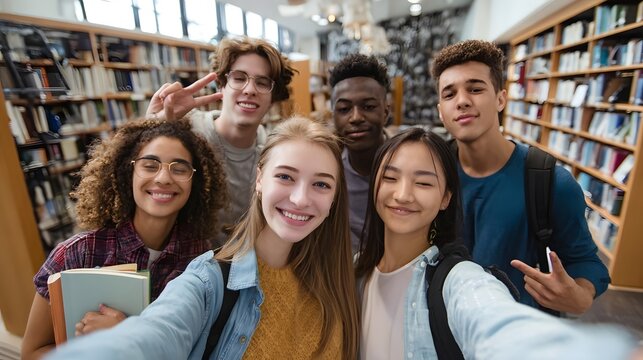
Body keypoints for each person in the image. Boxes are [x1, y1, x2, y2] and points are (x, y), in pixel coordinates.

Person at [46, 117, 360, 360]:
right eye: (285, 176)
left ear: (335, 198)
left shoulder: (341, 279)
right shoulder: (209, 279)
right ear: (260, 179)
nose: (301, 198)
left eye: (321, 184)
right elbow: (159, 331)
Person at [355, 127, 637, 359]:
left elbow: (496, 322)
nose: (403, 195)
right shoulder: (354, 271)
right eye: (390, 178)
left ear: (446, 198)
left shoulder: (459, 281)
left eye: (424, 183)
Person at [21, 118, 228, 359]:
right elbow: (32, 352)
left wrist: (126, 335)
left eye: (179, 168)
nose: (163, 178)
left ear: (196, 181)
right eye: (150, 165)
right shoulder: (77, 253)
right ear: (128, 173)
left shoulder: (200, 259)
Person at [431, 39, 610, 313]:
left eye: (476, 89)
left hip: (515, 332)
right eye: (449, 94)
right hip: (442, 328)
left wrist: (581, 295)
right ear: (440, 111)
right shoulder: (432, 173)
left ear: (501, 98)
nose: (463, 101)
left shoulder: (550, 182)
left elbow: (585, 261)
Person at [146, 36, 296, 246]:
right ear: (221, 85)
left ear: (273, 98)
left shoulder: (276, 153)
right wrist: (151, 131)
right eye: (239, 78)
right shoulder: (185, 131)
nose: (250, 89)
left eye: (262, 83)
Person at [329, 53, 390, 252]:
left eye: (368, 106)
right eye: (345, 109)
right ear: (334, 116)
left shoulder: (413, 167)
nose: (355, 118)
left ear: (385, 112)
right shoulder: (327, 174)